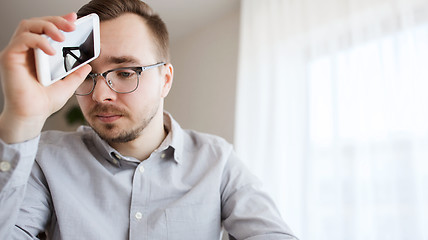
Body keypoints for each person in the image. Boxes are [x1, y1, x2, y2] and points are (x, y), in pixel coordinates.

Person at [0, 0, 298, 239]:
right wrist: (20, 118)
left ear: (165, 80)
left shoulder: (217, 161)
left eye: (126, 72)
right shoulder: (47, 159)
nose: (100, 94)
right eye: (87, 75)